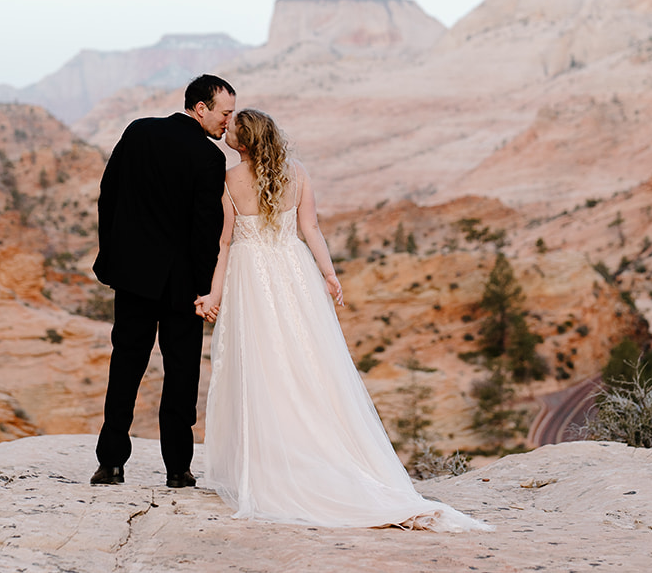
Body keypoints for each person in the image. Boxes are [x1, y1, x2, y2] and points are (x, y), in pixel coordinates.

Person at [197, 109, 489, 531]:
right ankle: (311, 452)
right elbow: (312, 228)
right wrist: (329, 275)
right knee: (308, 361)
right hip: (294, 272)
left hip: (251, 278)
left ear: (243, 141)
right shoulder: (296, 172)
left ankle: (271, 461)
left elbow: (224, 243)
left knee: (262, 365)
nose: (227, 129)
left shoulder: (228, 180)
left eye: (234, 127)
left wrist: (214, 294)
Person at [90, 74, 236, 488]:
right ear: (201, 108)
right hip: (182, 286)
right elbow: (205, 230)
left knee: (125, 367)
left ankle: (110, 463)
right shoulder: (209, 158)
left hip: (133, 277)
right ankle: (177, 469)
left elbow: (108, 194)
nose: (228, 121)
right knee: (181, 374)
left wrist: (112, 257)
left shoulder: (139, 132)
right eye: (225, 113)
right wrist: (205, 288)